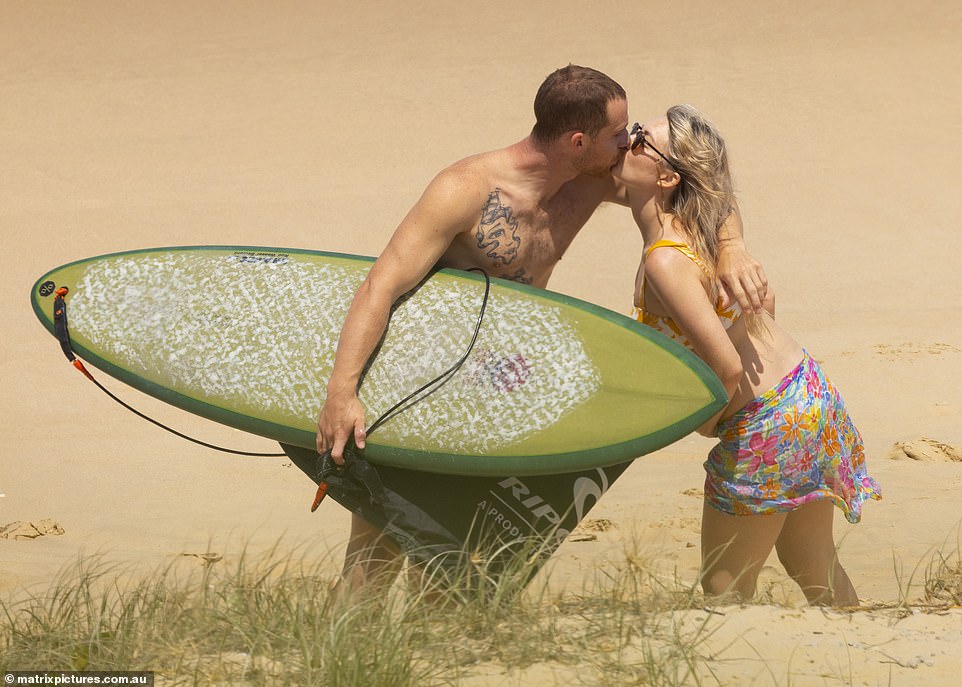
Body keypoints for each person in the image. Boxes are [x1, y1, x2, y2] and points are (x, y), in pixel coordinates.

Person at [315, 67, 768, 597]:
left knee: (452, 551)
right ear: (579, 141)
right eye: (618, 133)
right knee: (380, 543)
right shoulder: (465, 189)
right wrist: (341, 393)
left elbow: (701, 178)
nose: (630, 141)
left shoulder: (593, 178)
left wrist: (733, 243)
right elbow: (380, 286)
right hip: (420, 382)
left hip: (499, 389)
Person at [613, 104, 881, 606]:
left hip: (767, 421)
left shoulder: (667, 260)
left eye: (636, 138)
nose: (624, 142)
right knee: (815, 567)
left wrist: (699, 424)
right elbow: (716, 189)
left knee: (723, 590)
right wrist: (733, 241)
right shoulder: (701, 220)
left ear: (668, 175)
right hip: (807, 392)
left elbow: (727, 367)